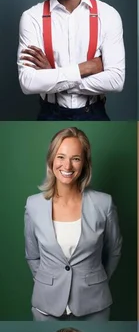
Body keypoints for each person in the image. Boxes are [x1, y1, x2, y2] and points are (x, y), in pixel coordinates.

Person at [17, 0, 125, 120]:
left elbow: (116, 81)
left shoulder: (108, 15)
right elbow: (28, 83)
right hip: (50, 113)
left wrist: (52, 75)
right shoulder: (32, 17)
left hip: (94, 113)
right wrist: (85, 68)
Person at [24, 127, 122, 321]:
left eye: (76, 158)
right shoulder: (33, 205)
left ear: (85, 163)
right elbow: (32, 255)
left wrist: (94, 281)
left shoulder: (104, 203)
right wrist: (51, 283)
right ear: (51, 160)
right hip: (46, 307)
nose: (67, 165)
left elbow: (114, 251)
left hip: (94, 306)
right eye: (61, 157)